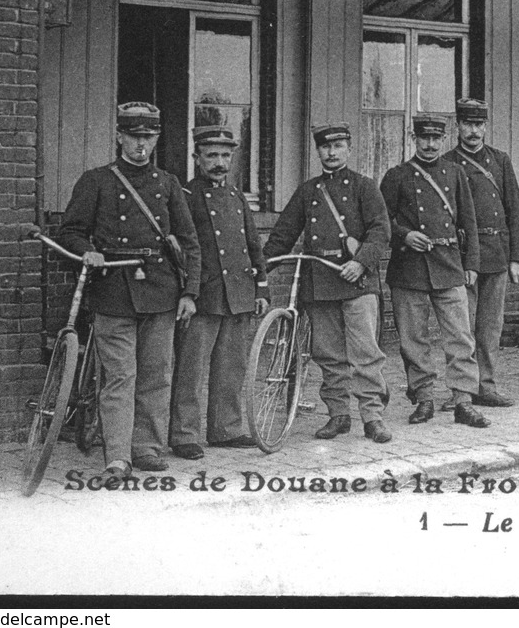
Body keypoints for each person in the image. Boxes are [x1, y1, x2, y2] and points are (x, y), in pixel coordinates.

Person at [57, 102, 201, 478]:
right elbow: (69, 231)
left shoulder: (168, 184)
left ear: (156, 139)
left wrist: (190, 293)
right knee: (120, 376)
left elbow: (189, 241)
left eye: (148, 137)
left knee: (156, 374)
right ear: (119, 136)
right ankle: (118, 456)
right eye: (134, 136)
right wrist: (86, 251)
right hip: (113, 287)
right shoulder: (97, 180)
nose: (141, 145)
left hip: (161, 288)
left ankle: (147, 447)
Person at [264, 122, 392, 443]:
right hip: (319, 281)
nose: (331, 152)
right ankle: (338, 415)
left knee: (365, 352)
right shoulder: (309, 191)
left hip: (356, 282)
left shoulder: (365, 187)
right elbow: (283, 233)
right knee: (329, 355)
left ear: (349, 148)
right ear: (318, 150)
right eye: (325, 147)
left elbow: (380, 232)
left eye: (338, 146)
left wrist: (360, 262)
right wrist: (261, 268)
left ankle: (373, 416)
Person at [379, 115, 488, 429]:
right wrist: (404, 234)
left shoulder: (455, 173)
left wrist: (471, 264)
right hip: (408, 267)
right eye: (424, 138)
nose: (429, 144)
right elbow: (381, 220)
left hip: (449, 263)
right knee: (413, 338)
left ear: (443, 140)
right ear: (414, 138)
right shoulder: (396, 176)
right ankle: (424, 399)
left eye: (435, 139)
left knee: (460, 337)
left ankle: (464, 400)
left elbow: (468, 222)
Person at [169, 125, 267, 460]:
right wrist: (188, 292)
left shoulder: (238, 196)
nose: (220, 162)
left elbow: (252, 243)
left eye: (226, 155)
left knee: (232, 366)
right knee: (191, 368)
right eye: (212, 155)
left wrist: (262, 286)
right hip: (204, 293)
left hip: (238, 291)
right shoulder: (185, 195)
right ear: (197, 158)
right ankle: (184, 435)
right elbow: (181, 246)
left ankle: (226, 428)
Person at [442, 98, 519, 409]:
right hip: (461, 257)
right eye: (468, 124)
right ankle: (460, 390)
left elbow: (513, 210)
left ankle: (486, 385)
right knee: (461, 327)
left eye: (479, 125)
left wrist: (516, 258)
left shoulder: (500, 161)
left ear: (486, 126)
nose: (474, 131)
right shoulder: (448, 162)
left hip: (497, 255)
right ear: (458, 126)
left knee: (490, 326)